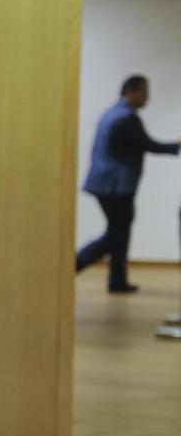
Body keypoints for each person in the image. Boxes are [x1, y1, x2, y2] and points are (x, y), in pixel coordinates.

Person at [76, 75, 180, 292]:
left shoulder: (113, 112)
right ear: (131, 92)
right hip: (116, 185)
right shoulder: (126, 118)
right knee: (116, 234)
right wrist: (176, 146)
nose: (147, 98)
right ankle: (75, 264)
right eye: (144, 92)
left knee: (118, 231)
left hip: (106, 183)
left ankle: (117, 280)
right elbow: (147, 144)